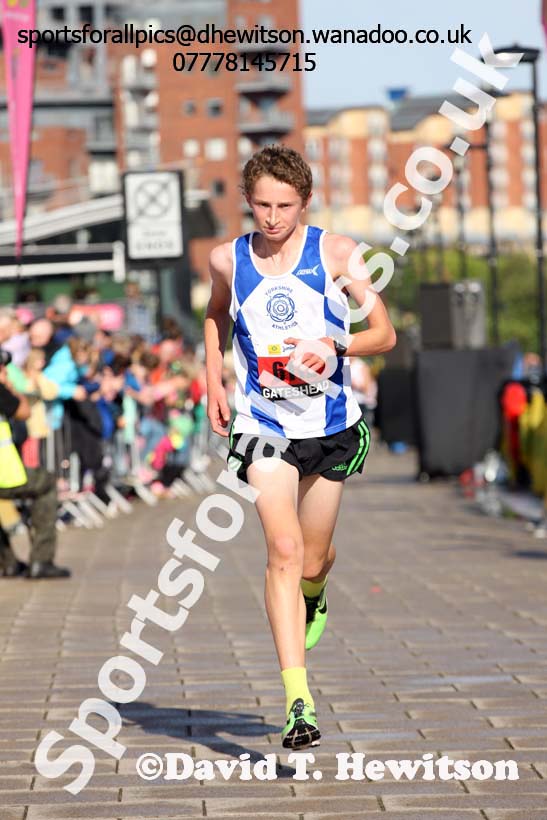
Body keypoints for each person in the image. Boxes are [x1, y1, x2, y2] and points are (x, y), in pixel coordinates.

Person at [204, 145, 396, 750]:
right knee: (282, 549)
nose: (272, 217)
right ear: (248, 201)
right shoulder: (226, 259)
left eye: (284, 205)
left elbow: (384, 334)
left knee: (312, 560)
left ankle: (316, 592)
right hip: (263, 425)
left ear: (305, 202)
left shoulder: (337, 254)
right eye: (261, 204)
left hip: (330, 426)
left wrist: (333, 348)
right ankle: (297, 702)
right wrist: (211, 377)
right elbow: (215, 318)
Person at [0, 354, 70, 579]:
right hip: (5, 475)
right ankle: (41, 560)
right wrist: (8, 387)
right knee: (47, 484)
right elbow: (23, 411)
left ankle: (7, 563)